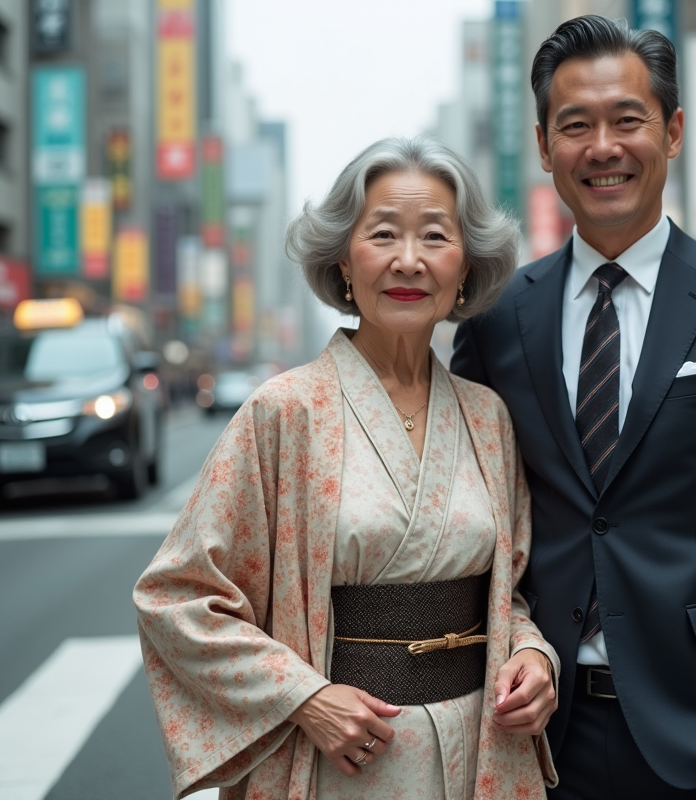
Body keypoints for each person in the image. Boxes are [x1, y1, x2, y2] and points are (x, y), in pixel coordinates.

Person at [453, 16, 696, 800]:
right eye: (576, 126)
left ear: (671, 132)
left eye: (626, 119)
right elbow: (474, 513)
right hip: (536, 738)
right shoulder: (498, 318)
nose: (603, 147)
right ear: (543, 147)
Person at [135, 137, 560, 800]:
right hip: (342, 760)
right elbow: (177, 599)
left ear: (467, 266)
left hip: (479, 751)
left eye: (436, 237)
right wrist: (305, 697)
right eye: (383, 233)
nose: (409, 260)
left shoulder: (488, 418)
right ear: (343, 258)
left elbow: (506, 595)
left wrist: (534, 655)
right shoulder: (284, 413)